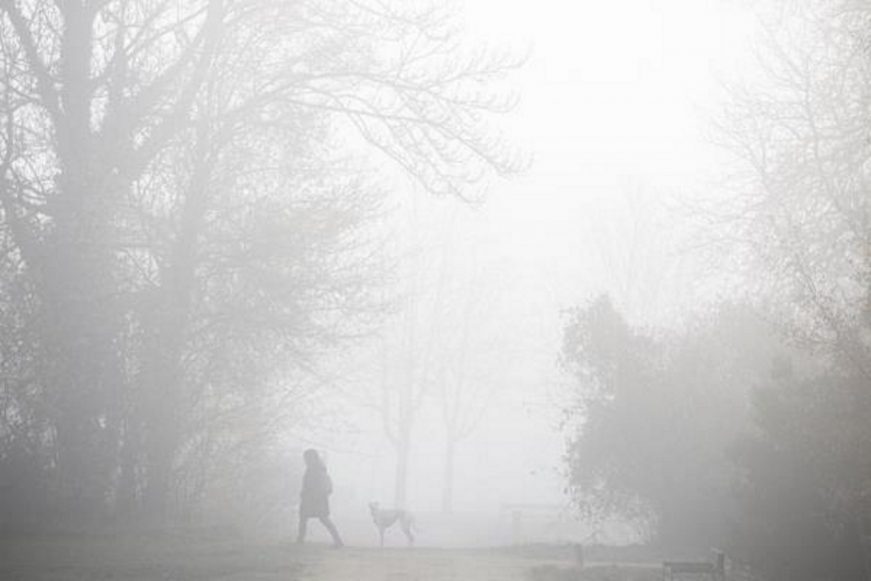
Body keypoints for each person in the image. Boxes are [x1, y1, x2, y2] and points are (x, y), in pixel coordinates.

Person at [296, 448, 343, 548]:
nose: (305, 460)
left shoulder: (316, 468)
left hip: (315, 498)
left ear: (311, 458)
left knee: (317, 518)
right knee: (313, 518)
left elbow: (313, 483)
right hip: (315, 498)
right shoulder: (317, 467)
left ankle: (300, 540)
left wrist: (307, 493)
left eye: (306, 458)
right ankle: (338, 541)